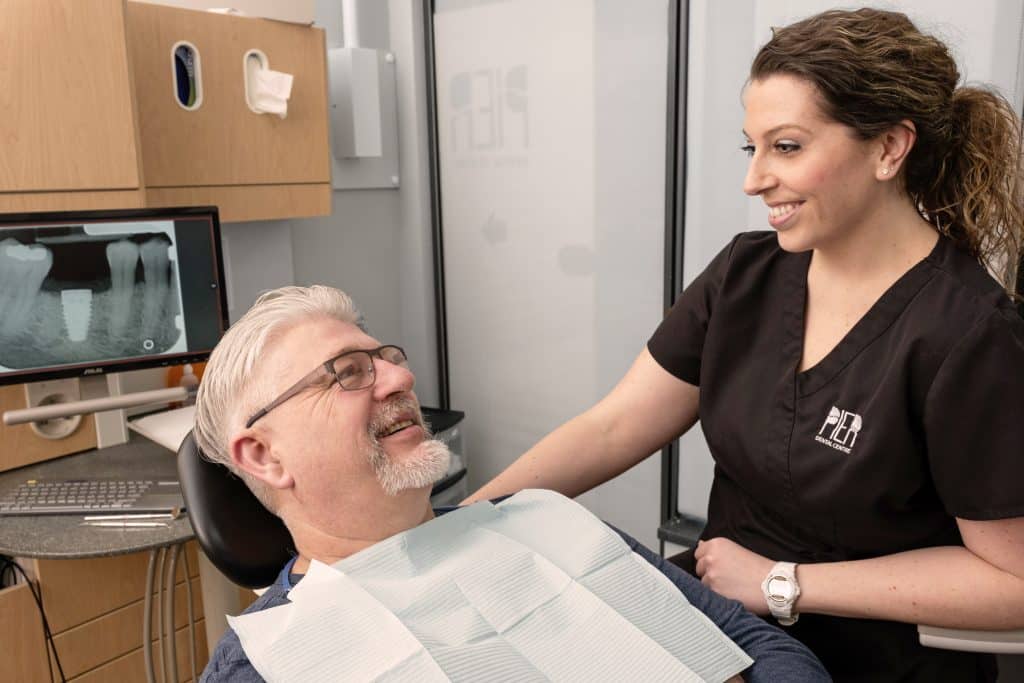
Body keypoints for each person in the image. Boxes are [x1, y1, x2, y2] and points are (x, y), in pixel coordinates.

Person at [465, 8, 1024, 682]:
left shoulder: (969, 332)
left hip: (869, 656)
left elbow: (1011, 581)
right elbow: (612, 427)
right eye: (750, 148)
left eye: (785, 147)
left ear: (888, 149)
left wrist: (781, 582)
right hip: (720, 620)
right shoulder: (747, 274)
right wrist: (463, 522)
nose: (753, 179)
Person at [192, 285, 828, 682]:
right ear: (265, 456)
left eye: (386, 359)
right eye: (348, 373)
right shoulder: (272, 661)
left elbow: (757, 643)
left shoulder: (540, 519)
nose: (398, 380)